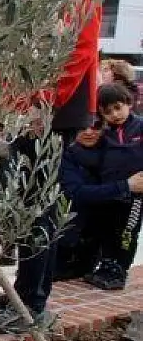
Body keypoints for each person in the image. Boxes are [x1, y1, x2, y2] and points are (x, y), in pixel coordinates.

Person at [0, 0, 103, 334]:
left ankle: (32, 302)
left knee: (40, 205)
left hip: (54, 111)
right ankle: (26, 290)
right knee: (30, 200)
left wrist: (41, 106)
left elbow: (76, 53)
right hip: (33, 105)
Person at [59, 83, 143, 290]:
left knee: (127, 233)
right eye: (108, 112)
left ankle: (118, 271)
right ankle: (107, 266)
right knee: (108, 232)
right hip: (112, 193)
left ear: (129, 103)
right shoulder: (103, 137)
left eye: (118, 107)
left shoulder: (139, 127)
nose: (115, 114)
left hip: (135, 195)